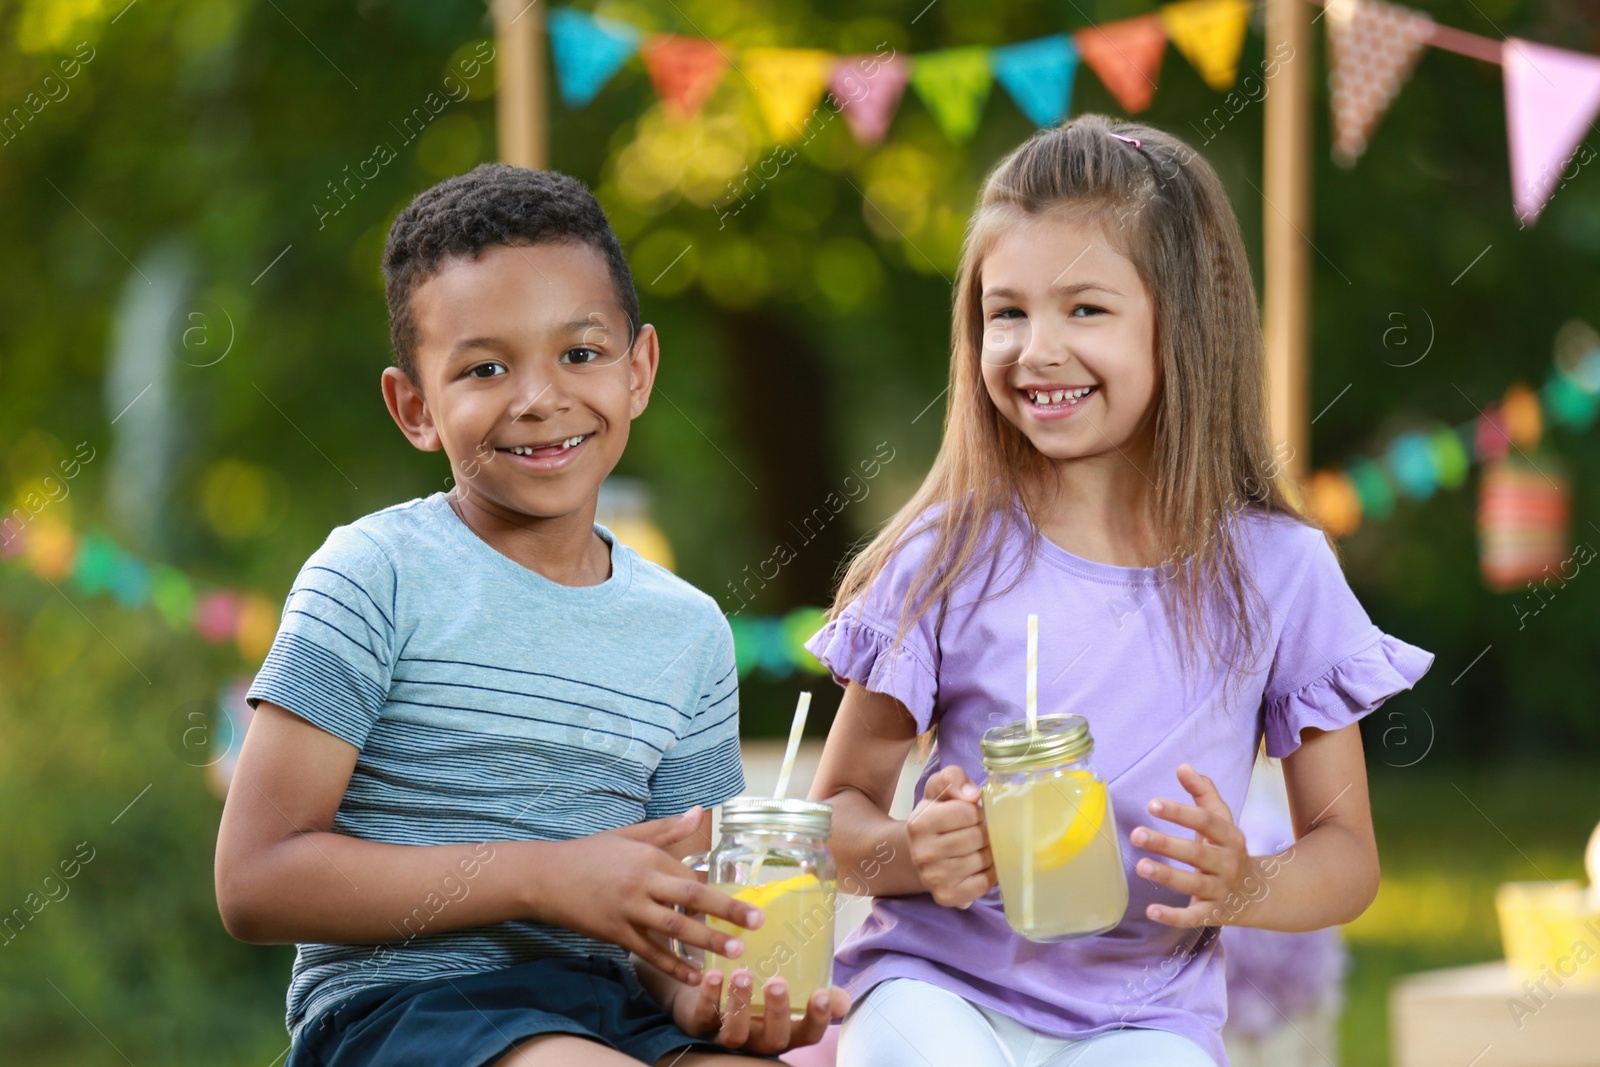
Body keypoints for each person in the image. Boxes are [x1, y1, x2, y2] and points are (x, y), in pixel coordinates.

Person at [803, 115, 1433, 1067]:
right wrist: (909, 851)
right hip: (938, 988)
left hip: (1145, 1018)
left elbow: (1346, 855)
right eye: (1005, 312)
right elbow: (838, 812)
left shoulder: (1279, 572)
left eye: (1084, 310)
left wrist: (1247, 883)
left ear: (1183, 321)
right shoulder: (943, 555)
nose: (1035, 349)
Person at [214, 163, 847, 1067]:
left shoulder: (689, 631)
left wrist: (709, 997)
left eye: (580, 353)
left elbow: (666, 914)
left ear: (640, 370)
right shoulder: (373, 576)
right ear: (414, 407)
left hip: (613, 1011)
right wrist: (545, 877)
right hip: (406, 1010)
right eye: (483, 367)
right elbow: (254, 879)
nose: (540, 397)